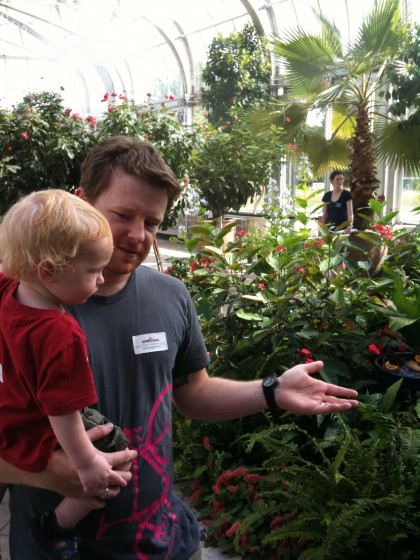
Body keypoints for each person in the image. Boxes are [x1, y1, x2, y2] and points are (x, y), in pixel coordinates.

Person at [2, 136, 358, 560]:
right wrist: (54, 473)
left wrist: (271, 391)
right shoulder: (20, 310)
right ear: (83, 202)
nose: (138, 235)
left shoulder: (171, 295)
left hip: (164, 543)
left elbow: (193, 394)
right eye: (123, 215)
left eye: (151, 222)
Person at [0, 189, 136, 559]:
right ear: (48, 271)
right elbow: (62, 411)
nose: (100, 279)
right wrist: (86, 463)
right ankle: (57, 524)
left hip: (9, 413)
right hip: (39, 425)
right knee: (116, 447)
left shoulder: (9, 289)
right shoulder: (61, 334)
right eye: (93, 271)